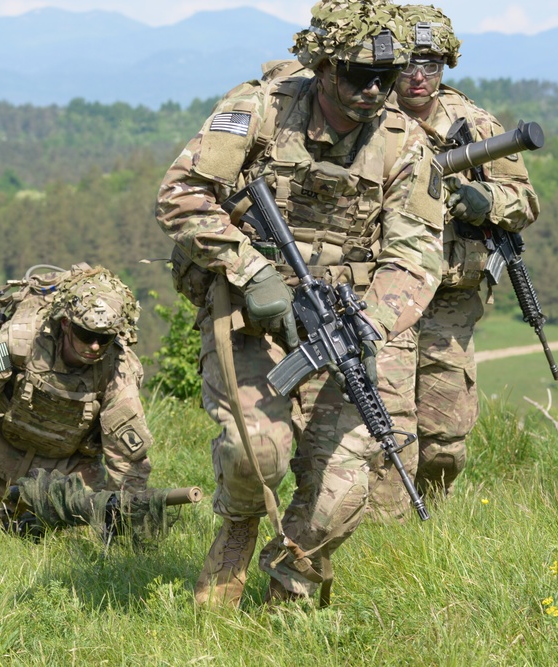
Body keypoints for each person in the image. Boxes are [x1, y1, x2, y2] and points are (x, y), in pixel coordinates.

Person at [156, 0, 444, 607]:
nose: (372, 93)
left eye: (385, 80)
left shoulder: (406, 144)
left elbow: (416, 257)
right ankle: (237, 531)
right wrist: (251, 267)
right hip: (250, 307)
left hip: (350, 317)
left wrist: (368, 325)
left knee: (342, 485)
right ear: (324, 67)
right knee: (256, 450)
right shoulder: (260, 109)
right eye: (357, 76)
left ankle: (289, 585)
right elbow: (181, 194)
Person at [366, 4, 540, 518]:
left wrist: (492, 203)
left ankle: (430, 519)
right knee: (389, 429)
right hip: (386, 294)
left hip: (451, 296)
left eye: (432, 65)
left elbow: (526, 201)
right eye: (409, 64)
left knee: (444, 440)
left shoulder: (476, 123)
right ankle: (386, 536)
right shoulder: (369, 120)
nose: (419, 77)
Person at [0, 264, 161, 533]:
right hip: (3, 460)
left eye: (105, 339)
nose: (94, 347)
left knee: (81, 539)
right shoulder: (19, 342)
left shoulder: (116, 368)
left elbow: (127, 455)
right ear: (66, 323)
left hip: (73, 474)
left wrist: (124, 514)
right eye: (86, 335)